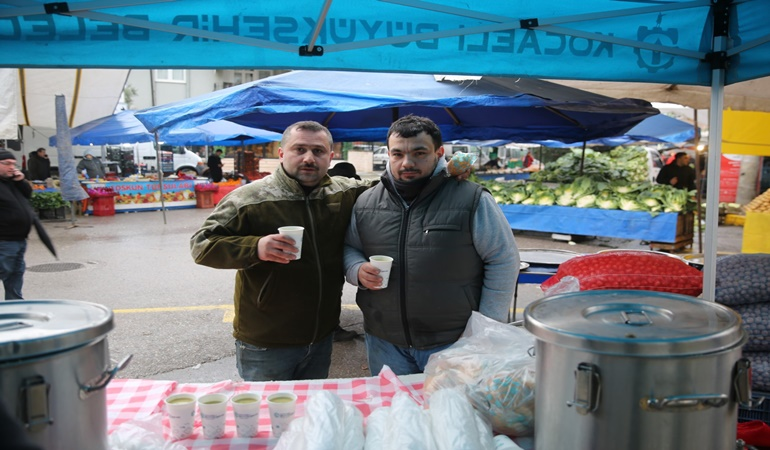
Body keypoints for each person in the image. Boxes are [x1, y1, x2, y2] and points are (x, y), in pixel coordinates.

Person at [190, 121, 372, 382]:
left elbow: (393, 181)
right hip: (266, 341)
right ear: (282, 153)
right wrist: (256, 247)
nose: (309, 158)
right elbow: (201, 244)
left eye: (318, 151)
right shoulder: (250, 198)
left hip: (321, 336)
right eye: (299, 149)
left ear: (331, 157)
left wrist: (446, 172)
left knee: (309, 413)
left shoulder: (342, 192)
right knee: (267, 418)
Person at [343, 115, 520, 376]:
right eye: (398, 154)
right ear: (388, 154)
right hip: (383, 339)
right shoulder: (366, 201)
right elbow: (350, 247)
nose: (407, 163)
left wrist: (485, 329)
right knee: (395, 412)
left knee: (451, 414)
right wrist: (356, 269)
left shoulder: (471, 199)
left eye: (419, 153)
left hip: (453, 341)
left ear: (439, 153)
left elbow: (503, 259)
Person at [326, 161, 362, 342]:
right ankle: (331, 329)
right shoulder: (351, 195)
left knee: (328, 290)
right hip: (334, 251)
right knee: (331, 291)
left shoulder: (326, 191)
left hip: (331, 251)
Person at [0, 150, 33, 300]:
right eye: (7, 164)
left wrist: (20, 181)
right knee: (9, 273)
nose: (11, 167)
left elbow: (26, 195)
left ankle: (14, 306)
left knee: (15, 274)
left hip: (18, 239)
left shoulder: (10, 181)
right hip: (4, 240)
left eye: (13, 164)